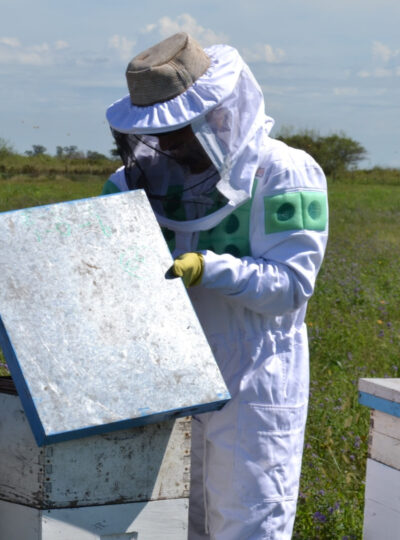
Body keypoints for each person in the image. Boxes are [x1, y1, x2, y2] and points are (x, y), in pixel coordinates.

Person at [103, 33, 328, 539]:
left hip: (254, 375)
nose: (167, 145)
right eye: (158, 133)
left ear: (218, 114)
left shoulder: (283, 171)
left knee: (249, 524)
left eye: (178, 130)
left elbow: (291, 286)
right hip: (166, 374)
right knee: (169, 524)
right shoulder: (130, 182)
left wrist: (209, 268)